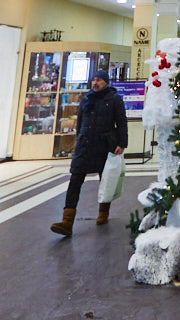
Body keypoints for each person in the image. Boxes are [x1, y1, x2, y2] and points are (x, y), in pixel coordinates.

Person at [51, 70, 127, 236]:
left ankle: (103, 212)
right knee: (75, 179)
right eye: (93, 80)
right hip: (85, 145)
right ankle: (67, 221)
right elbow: (80, 121)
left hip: (103, 145)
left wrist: (122, 143)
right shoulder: (87, 99)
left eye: (98, 80)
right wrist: (79, 139)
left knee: (105, 179)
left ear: (105, 82)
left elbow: (121, 122)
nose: (95, 83)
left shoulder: (114, 99)